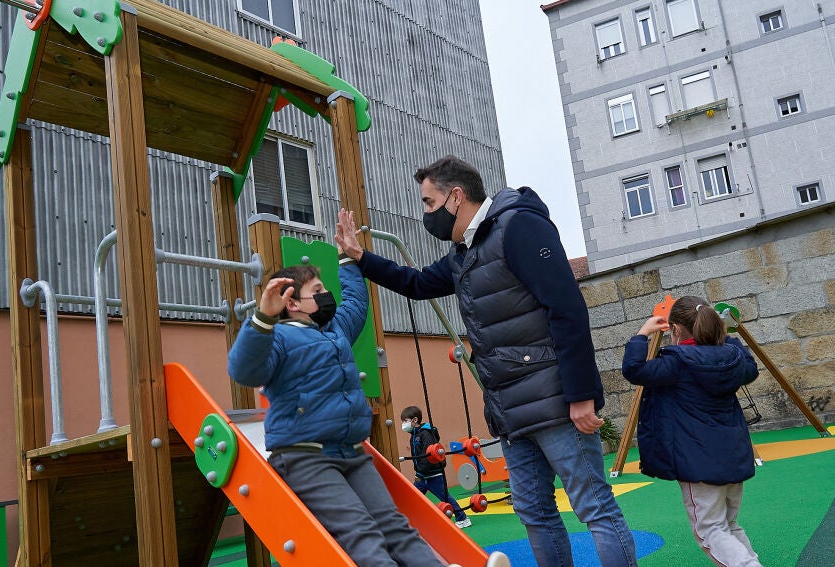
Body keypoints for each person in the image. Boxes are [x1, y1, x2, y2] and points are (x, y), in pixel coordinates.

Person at [336, 156, 638, 567]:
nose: (426, 214)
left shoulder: (518, 227)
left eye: (429, 203)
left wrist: (582, 395)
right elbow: (418, 283)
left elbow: (567, 308)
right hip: (510, 411)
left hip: (554, 402)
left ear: (455, 197)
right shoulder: (464, 255)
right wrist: (361, 257)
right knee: (535, 513)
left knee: (594, 508)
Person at [226, 213, 447, 567]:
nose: (326, 295)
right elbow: (243, 370)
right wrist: (262, 320)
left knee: (395, 527)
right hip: (305, 456)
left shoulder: (333, 331)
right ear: (292, 303)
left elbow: (357, 305)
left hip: (351, 452)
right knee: (361, 532)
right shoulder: (278, 338)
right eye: (318, 292)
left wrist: (348, 257)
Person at [621, 295, 762, 567]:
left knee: (709, 530)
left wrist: (642, 334)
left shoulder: (676, 363)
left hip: (697, 462)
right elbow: (750, 367)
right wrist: (727, 335)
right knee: (729, 525)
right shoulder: (731, 357)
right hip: (733, 454)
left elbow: (634, 370)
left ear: (675, 330)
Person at [400, 405, 471, 529]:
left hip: (433, 474)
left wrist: (419, 472)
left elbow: (428, 456)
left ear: (414, 420)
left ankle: (463, 518)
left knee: (445, 497)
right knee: (413, 497)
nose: (403, 424)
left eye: (405, 421)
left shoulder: (426, 434)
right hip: (423, 476)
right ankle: (407, 523)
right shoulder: (413, 435)